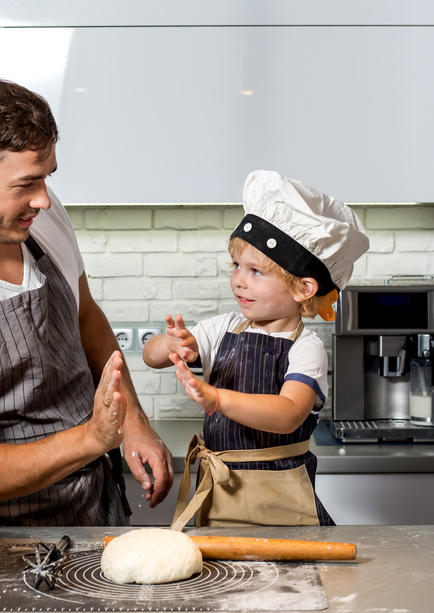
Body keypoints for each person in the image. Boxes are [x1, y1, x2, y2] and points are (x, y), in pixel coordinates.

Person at [0, 76, 173, 526]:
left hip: (95, 508)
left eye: (48, 177)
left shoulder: (41, 224)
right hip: (3, 546)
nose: (45, 201)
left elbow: (87, 319)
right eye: (27, 183)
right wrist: (92, 439)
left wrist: (133, 423)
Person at [143, 169, 369, 529]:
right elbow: (151, 357)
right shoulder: (223, 328)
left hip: (283, 500)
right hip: (219, 491)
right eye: (236, 265)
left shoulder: (305, 349)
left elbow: (287, 414)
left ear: (303, 288)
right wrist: (170, 343)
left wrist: (217, 399)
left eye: (255, 271)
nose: (238, 280)